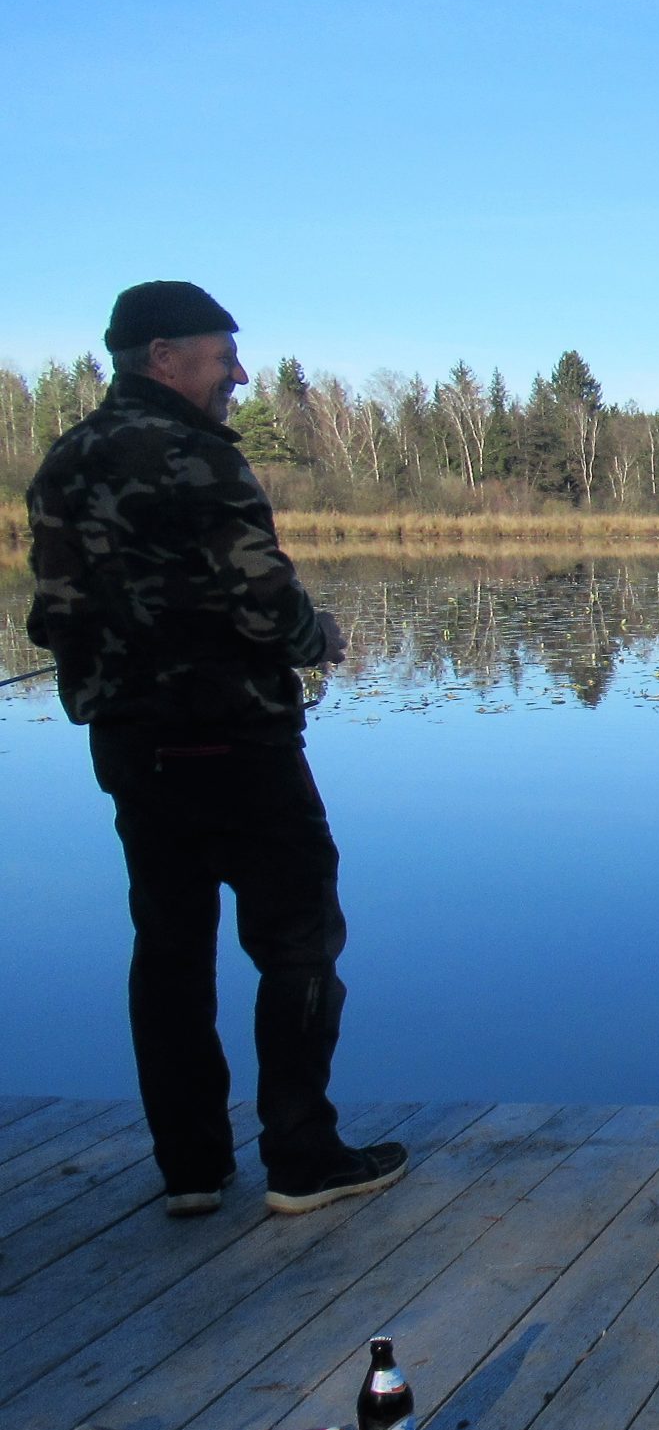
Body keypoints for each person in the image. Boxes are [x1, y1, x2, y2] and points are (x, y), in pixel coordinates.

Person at [23, 282, 406, 1218]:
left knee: (169, 947)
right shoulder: (197, 456)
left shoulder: (65, 460)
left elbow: (52, 614)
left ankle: (191, 1168)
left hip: (130, 745)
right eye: (223, 354)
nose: (239, 374)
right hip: (236, 740)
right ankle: (302, 1157)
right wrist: (318, 635)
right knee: (299, 941)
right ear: (164, 357)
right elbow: (264, 605)